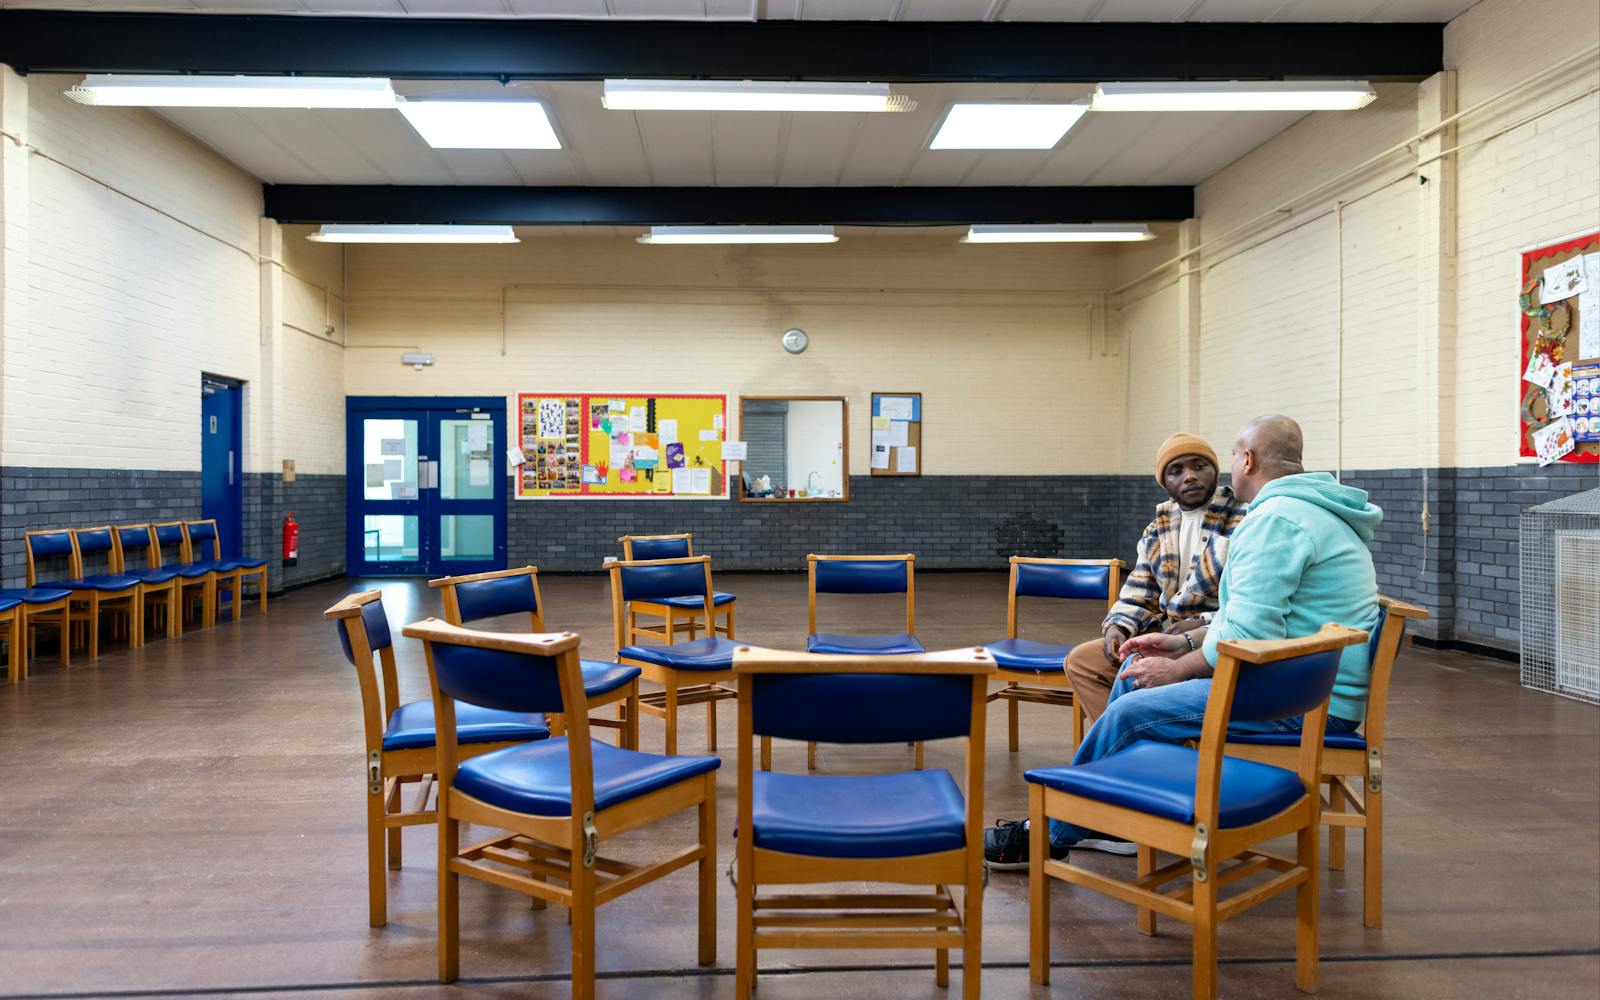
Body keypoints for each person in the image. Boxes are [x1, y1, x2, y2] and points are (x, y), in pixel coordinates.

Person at [985, 414, 1382, 870]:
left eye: (1231, 457)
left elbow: (1251, 636)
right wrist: (1180, 645)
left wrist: (1178, 668)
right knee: (1134, 683)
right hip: (1303, 683)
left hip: (1306, 703)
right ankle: (1120, 814)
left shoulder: (1275, 521)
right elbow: (1251, 618)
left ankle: (1047, 832)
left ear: (1246, 460)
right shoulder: (1307, 511)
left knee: (1130, 713)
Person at [1065, 433, 1248, 727]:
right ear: (1164, 482)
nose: (1190, 476)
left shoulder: (1244, 518)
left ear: (1215, 470)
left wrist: (1201, 622)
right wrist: (1118, 626)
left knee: (1137, 668)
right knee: (1083, 662)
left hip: (1211, 641)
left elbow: (1246, 604)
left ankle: (1132, 745)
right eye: (1177, 471)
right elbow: (1139, 590)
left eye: (1199, 466)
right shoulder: (1158, 528)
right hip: (1166, 636)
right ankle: (1132, 750)